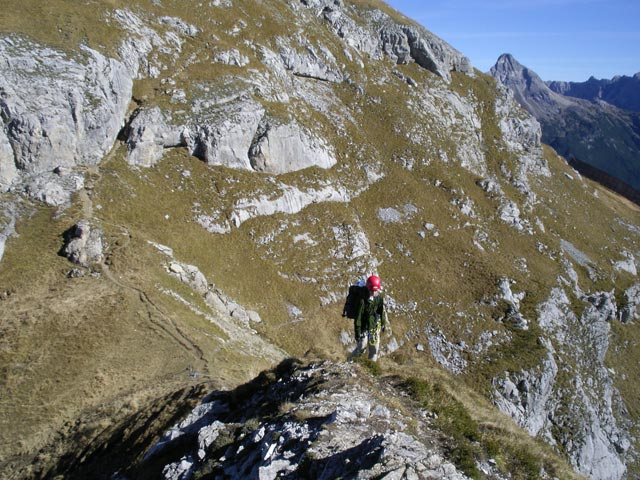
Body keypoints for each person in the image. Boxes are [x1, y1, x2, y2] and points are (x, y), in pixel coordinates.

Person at [350, 274, 389, 362]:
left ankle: (371, 367)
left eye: (375, 291)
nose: (373, 293)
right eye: (372, 291)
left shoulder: (378, 298)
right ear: (368, 289)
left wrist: (383, 323)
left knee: (374, 349)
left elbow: (381, 311)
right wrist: (357, 333)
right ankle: (349, 363)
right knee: (362, 347)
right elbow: (358, 318)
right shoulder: (362, 300)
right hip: (363, 326)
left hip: (373, 325)